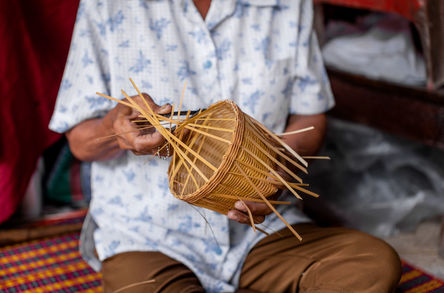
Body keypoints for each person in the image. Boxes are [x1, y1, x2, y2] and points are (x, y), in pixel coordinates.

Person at [49, 0, 402, 292]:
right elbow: (80, 141)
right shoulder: (109, 6)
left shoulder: (286, 5)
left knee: (371, 265)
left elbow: (310, 118)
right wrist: (114, 128)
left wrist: (278, 165)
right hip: (150, 236)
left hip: (261, 232)